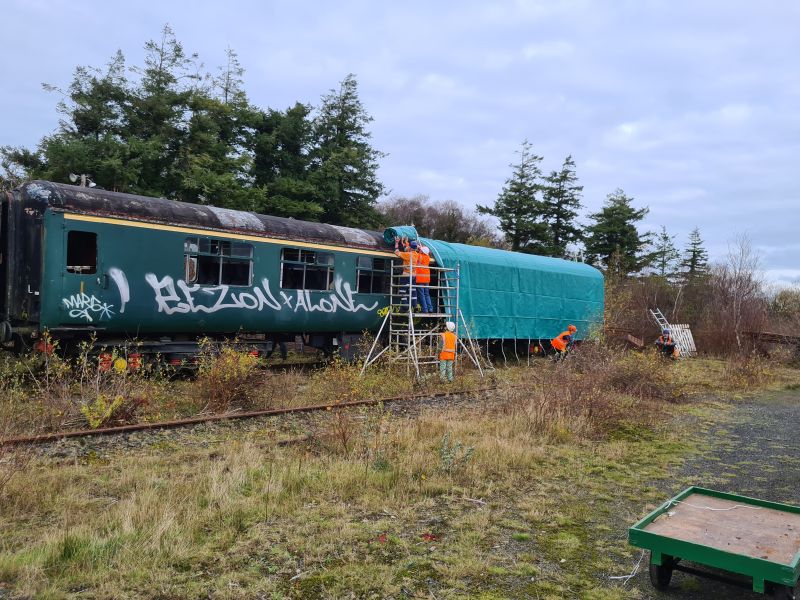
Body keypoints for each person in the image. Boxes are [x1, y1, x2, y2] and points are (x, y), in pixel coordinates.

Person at [394, 236, 419, 312]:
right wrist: (404, 242)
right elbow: (406, 248)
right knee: (413, 290)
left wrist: (396, 243)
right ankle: (415, 305)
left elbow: (397, 252)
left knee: (402, 290)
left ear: (411, 248)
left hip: (406, 275)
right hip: (413, 276)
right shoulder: (416, 254)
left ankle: (405, 306)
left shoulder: (408, 255)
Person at [416, 246, 436, 313]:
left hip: (420, 279)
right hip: (426, 279)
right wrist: (420, 248)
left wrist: (417, 247)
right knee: (427, 294)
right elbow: (423, 252)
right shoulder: (427, 257)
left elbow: (414, 254)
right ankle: (430, 308)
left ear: (422, 251)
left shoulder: (419, 256)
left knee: (421, 294)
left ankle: (425, 309)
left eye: (421, 250)